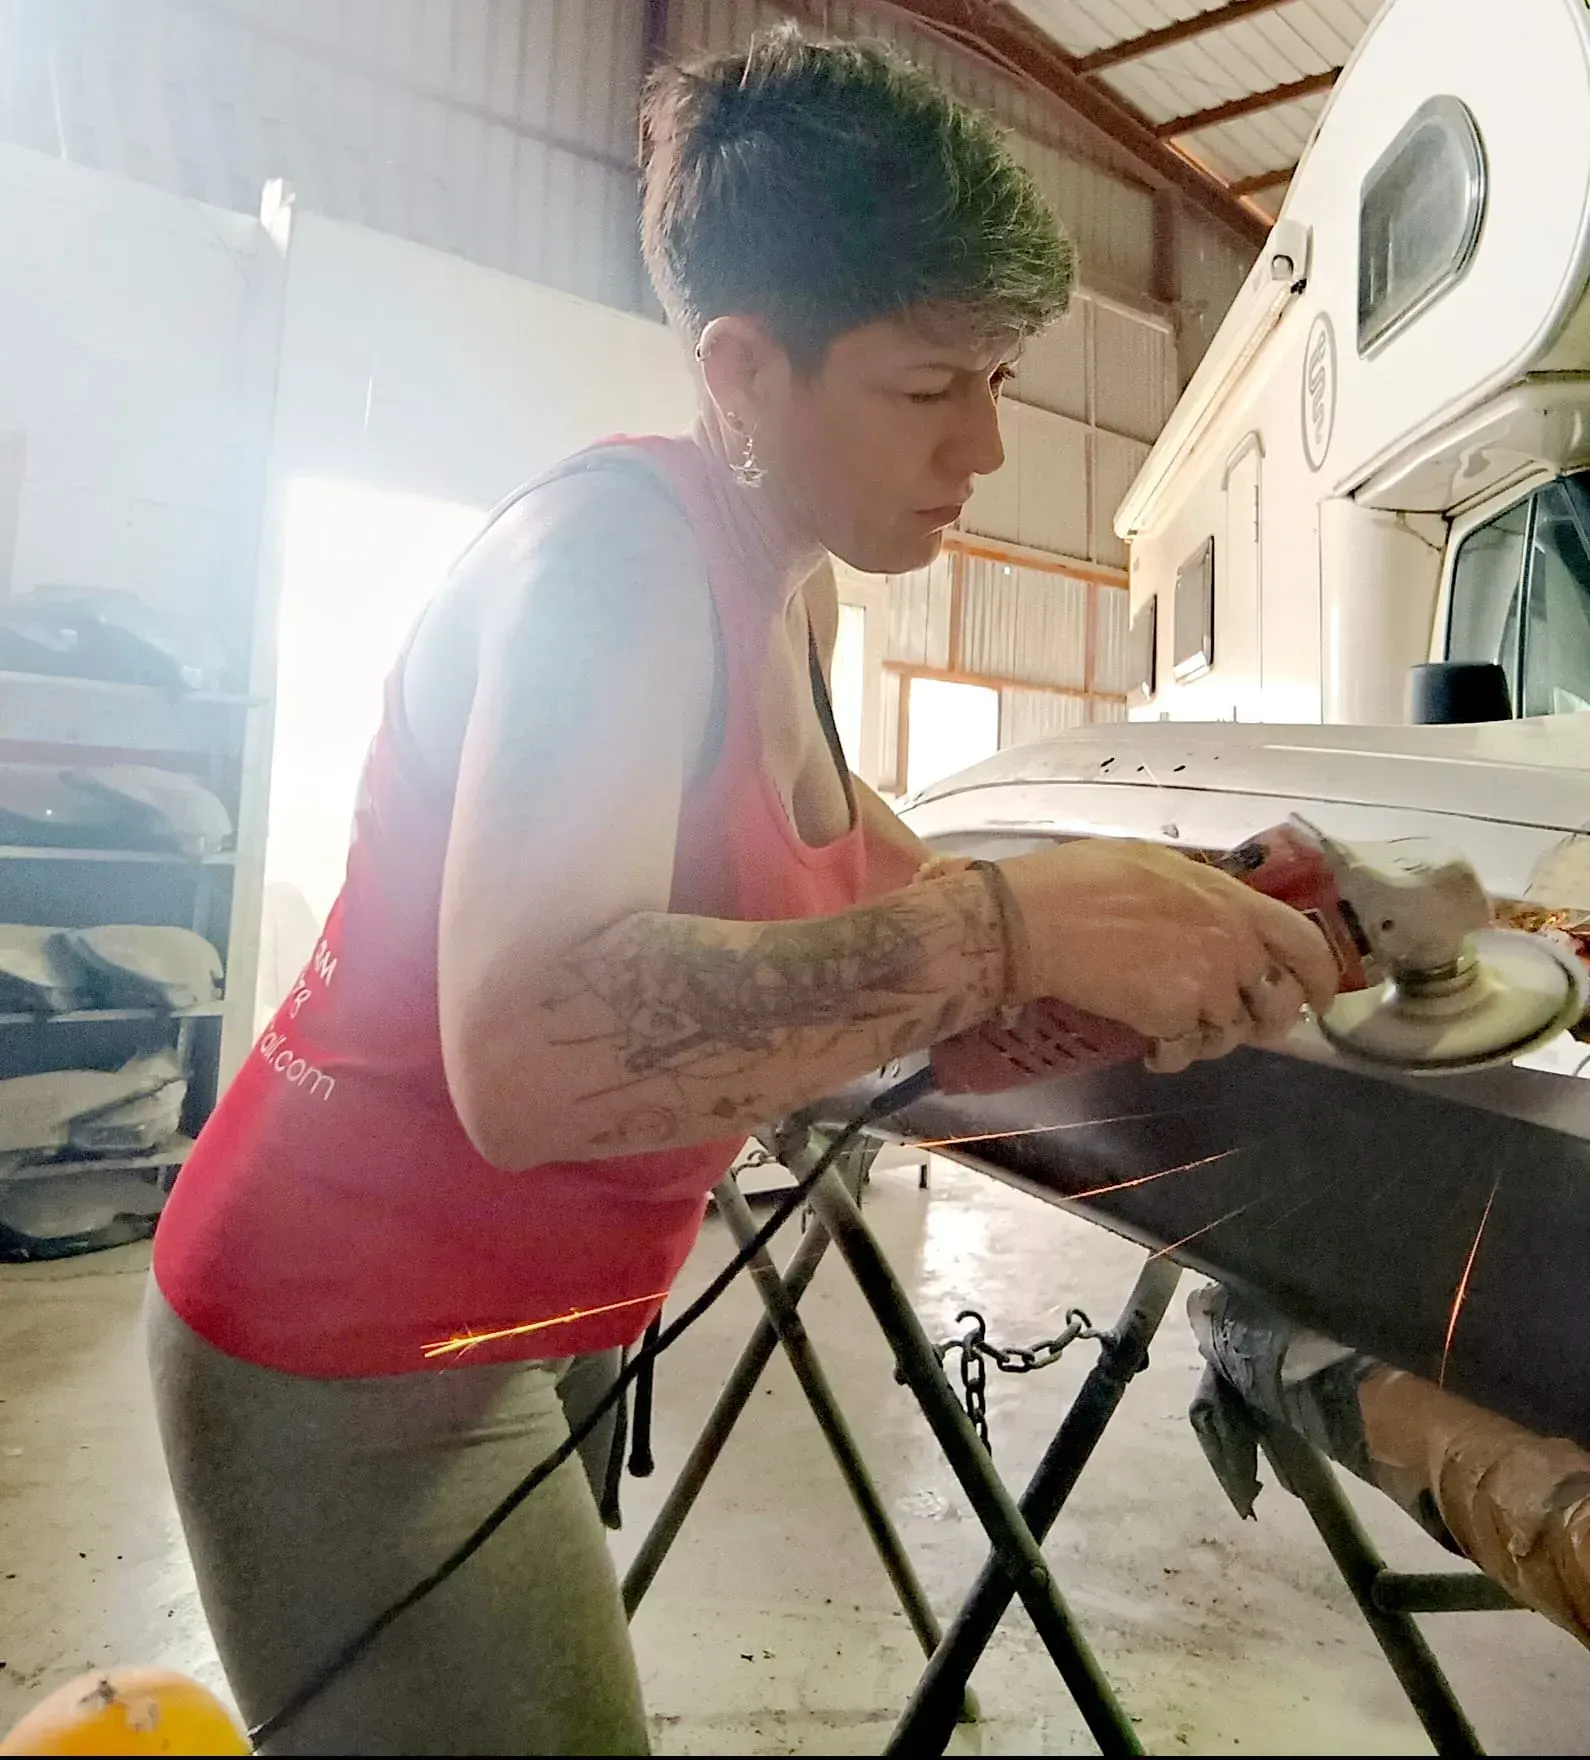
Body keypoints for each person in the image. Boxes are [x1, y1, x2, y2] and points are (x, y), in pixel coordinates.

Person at [145, 26, 1336, 1758]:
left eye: (995, 376)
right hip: (350, 1327)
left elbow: (882, 892)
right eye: (929, 389)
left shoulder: (796, 598)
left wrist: (1168, 905)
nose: (984, 446)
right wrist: (1013, 931)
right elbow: (534, 1047)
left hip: (532, 1310)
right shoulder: (612, 564)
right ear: (742, 369)